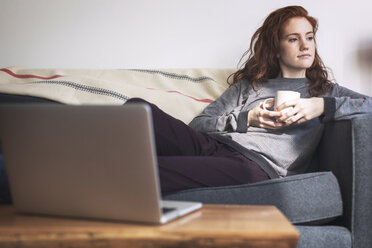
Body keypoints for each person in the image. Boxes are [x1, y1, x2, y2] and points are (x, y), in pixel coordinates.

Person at [127, 5, 372, 195]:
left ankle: (101, 176)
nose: (305, 45)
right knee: (138, 109)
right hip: (216, 146)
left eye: (309, 37)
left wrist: (321, 106)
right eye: (294, 39)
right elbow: (198, 125)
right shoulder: (249, 86)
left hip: (255, 165)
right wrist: (247, 118)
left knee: (147, 168)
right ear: (276, 48)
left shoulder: (326, 91)